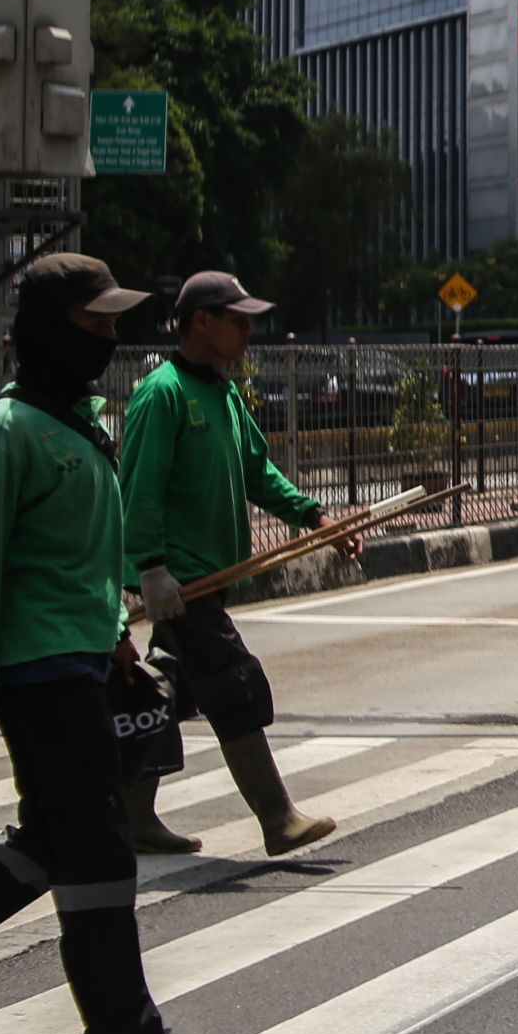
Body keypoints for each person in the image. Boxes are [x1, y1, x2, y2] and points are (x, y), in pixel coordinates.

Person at [0, 254, 210, 1034]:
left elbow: (79, 562)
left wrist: (114, 636)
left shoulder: (80, 424)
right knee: (94, 845)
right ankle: (120, 1031)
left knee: (54, 838)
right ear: (48, 332)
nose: (107, 339)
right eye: (92, 326)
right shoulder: (5, 435)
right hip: (34, 674)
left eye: (111, 325)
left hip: (81, 658)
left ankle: (116, 1026)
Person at [117, 271, 349, 858]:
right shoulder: (161, 393)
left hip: (208, 575)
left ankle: (130, 815)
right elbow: (139, 490)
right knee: (234, 684)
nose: (250, 330)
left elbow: (257, 472)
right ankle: (277, 818)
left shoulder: (223, 394)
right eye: (238, 319)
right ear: (201, 321)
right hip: (179, 577)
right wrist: (151, 568)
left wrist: (315, 517)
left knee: (163, 692)